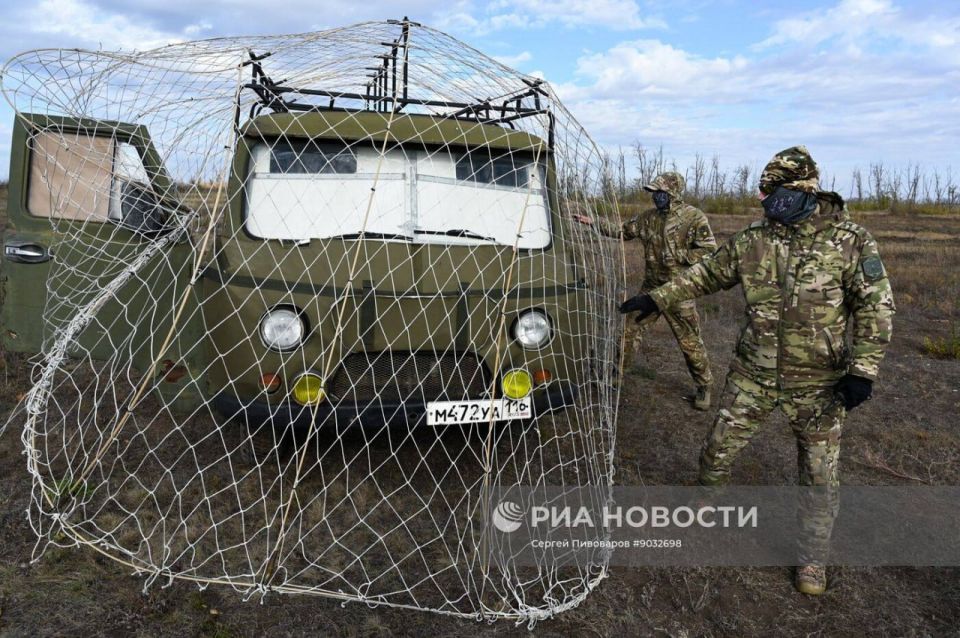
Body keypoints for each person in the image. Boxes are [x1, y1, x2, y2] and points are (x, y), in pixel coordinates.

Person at [620, 146, 895, 595]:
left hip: (819, 384)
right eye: (762, 190)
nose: (762, 198)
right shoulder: (754, 238)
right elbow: (706, 274)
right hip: (753, 375)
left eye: (770, 191)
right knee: (717, 448)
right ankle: (705, 502)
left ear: (802, 191)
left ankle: (812, 560)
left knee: (819, 474)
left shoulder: (851, 240)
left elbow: (876, 307)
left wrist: (863, 370)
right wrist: (657, 297)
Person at [576, 171, 717, 410]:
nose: (655, 197)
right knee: (629, 331)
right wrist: (593, 222)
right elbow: (622, 230)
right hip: (650, 289)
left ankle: (704, 386)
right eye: (654, 193)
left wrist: (680, 256)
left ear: (673, 193)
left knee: (689, 341)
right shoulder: (648, 218)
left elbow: (709, 250)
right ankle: (617, 374)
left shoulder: (693, 217)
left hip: (679, 290)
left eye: (660, 192)